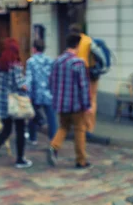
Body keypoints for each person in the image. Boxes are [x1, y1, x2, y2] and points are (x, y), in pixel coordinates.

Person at [0, 38, 32, 170]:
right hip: (15, 104)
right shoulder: (15, 66)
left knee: (6, 130)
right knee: (20, 130)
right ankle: (20, 159)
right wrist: (28, 82)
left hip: (2, 103)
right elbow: (20, 85)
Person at [48, 33, 92, 169]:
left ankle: (54, 146)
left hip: (61, 103)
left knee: (64, 127)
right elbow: (83, 86)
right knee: (79, 130)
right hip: (76, 104)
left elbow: (51, 82)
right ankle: (81, 160)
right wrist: (87, 105)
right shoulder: (77, 63)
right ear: (77, 46)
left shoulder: (57, 61)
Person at [69, 24, 104, 136]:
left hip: (84, 73)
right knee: (92, 100)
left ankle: (85, 126)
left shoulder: (77, 42)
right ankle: (89, 127)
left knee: (83, 100)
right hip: (93, 74)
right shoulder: (89, 40)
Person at [25, 39, 57, 145]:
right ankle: (53, 140)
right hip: (48, 93)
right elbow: (53, 77)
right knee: (51, 117)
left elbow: (29, 79)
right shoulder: (50, 60)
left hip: (35, 93)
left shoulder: (31, 61)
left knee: (33, 115)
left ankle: (33, 138)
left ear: (34, 48)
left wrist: (28, 94)